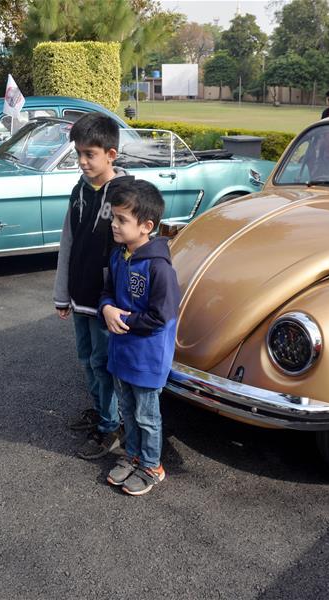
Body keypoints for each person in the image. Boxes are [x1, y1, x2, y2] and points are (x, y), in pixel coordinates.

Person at [53, 113, 134, 459]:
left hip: (107, 302)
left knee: (103, 364)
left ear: (111, 155)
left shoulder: (127, 196)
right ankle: (103, 413)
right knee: (87, 360)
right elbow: (67, 243)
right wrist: (61, 293)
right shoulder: (78, 192)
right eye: (78, 154)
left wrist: (122, 300)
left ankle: (111, 426)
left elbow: (136, 252)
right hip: (79, 296)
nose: (83, 162)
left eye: (90, 154)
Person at [99, 179, 179, 496]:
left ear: (146, 226)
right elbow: (106, 293)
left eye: (121, 220)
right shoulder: (120, 256)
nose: (114, 225)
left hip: (147, 358)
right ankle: (132, 456)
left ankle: (151, 465)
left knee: (147, 416)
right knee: (127, 411)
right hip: (121, 354)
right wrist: (106, 308)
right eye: (113, 217)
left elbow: (162, 316)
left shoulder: (159, 268)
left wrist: (125, 318)